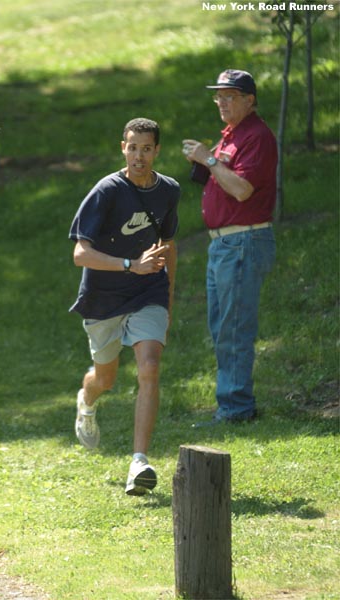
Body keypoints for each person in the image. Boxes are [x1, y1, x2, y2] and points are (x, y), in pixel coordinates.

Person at [68, 117, 180, 494]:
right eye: (133, 148)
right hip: (104, 298)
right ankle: (86, 399)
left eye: (146, 148)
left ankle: (139, 462)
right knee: (107, 379)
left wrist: (168, 297)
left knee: (149, 365)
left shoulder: (168, 191)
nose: (139, 156)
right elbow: (80, 254)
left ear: (156, 151)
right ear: (123, 148)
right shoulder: (106, 191)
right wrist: (131, 264)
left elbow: (168, 245)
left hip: (148, 292)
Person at [182, 69, 277, 424]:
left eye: (230, 96)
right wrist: (206, 161)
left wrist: (209, 160)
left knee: (234, 327)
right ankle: (232, 405)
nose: (222, 102)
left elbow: (242, 189)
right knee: (223, 326)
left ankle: (236, 409)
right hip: (226, 244)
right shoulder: (233, 135)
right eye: (218, 96)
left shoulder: (257, 136)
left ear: (249, 100)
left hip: (243, 241)